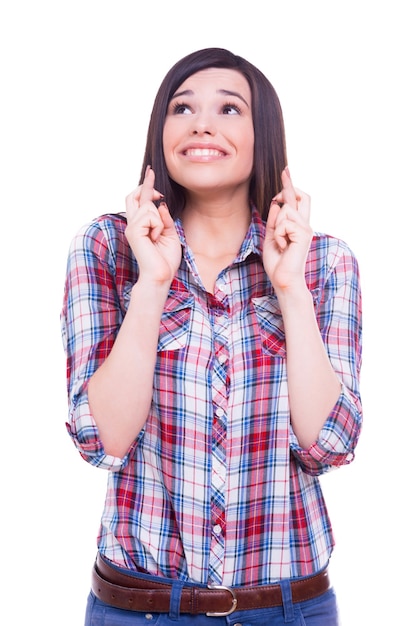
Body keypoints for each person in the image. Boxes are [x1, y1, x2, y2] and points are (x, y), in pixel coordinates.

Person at [61, 47, 362, 626]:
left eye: (229, 108)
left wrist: (290, 290)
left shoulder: (324, 264)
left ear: (262, 134)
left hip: (286, 609)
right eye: (182, 108)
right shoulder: (107, 249)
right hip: (140, 609)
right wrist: (152, 282)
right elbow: (102, 441)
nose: (202, 123)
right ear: (161, 133)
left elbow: (329, 445)